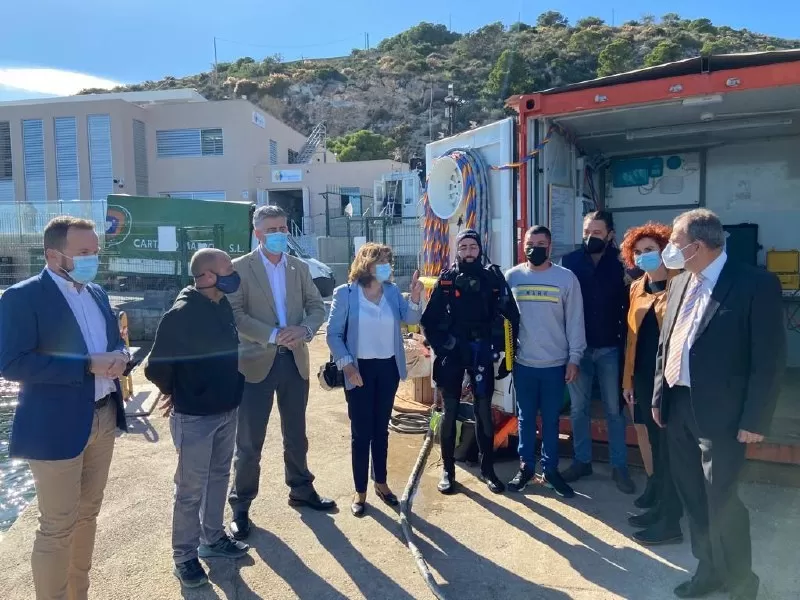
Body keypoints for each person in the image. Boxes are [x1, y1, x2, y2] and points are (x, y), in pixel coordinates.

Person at [652, 209, 785, 600]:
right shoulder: (679, 283)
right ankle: (708, 570)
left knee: (722, 499)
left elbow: (769, 358)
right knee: (693, 496)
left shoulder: (754, 284)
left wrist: (755, 417)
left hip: (724, 415)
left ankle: (743, 580)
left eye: (675, 242)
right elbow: (666, 346)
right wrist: (660, 397)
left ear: (698, 245)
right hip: (679, 407)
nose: (670, 250)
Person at [0, 216, 130, 600]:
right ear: (53, 255)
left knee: (88, 515)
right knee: (57, 526)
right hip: (54, 426)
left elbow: (112, 344)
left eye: (95, 251)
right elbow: (10, 363)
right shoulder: (22, 297)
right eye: (84, 253)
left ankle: (79, 594)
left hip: (103, 416)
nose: (93, 259)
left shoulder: (97, 293)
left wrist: (122, 356)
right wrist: (87, 364)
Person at [145, 248, 249, 589]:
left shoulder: (222, 306)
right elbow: (156, 367)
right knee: (189, 489)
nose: (233, 273)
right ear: (205, 277)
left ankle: (213, 538)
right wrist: (180, 391)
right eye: (226, 269)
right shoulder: (181, 314)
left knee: (219, 475)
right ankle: (184, 557)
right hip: (195, 417)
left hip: (227, 408)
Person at [227, 204, 330, 540]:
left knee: (296, 434)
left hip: (294, 360)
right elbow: (236, 313)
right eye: (271, 230)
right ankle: (241, 505)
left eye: (283, 229)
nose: (279, 235)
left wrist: (305, 330)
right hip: (255, 364)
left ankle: (301, 488)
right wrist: (272, 335)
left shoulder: (298, 268)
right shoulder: (239, 269)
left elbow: (317, 307)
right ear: (257, 233)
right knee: (249, 442)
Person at [326, 243, 424, 517]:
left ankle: (380, 482)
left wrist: (416, 297)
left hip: (388, 369)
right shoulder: (345, 294)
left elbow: (411, 318)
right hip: (358, 371)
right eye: (380, 262)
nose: (386, 267)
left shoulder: (392, 292)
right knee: (361, 433)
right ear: (365, 264)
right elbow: (333, 335)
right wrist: (347, 366)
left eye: (388, 262)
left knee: (381, 430)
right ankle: (360, 492)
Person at [421, 229, 520, 495]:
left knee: (484, 410)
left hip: (481, 351)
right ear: (457, 250)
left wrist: (505, 353)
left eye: (472, 247)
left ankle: (488, 470)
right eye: (463, 246)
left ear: (480, 249)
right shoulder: (447, 280)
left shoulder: (492, 278)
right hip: (453, 352)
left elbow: (512, 314)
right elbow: (428, 321)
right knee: (450, 411)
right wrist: (444, 346)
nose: (468, 251)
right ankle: (448, 471)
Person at [505, 226, 586, 498]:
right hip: (523, 364)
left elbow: (575, 321)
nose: (535, 247)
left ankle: (550, 471)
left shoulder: (566, 279)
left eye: (541, 243)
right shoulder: (512, 277)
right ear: (523, 245)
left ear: (549, 247)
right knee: (526, 419)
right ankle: (526, 467)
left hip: (555, 365)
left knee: (551, 421)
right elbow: (503, 320)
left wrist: (574, 358)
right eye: (530, 242)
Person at [561, 211, 635, 494]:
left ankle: (619, 467)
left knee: (614, 410)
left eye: (597, 232)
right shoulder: (570, 262)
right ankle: (582, 462)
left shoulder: (622, 263)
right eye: (586, 231)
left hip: (609, 347)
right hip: (578, 348)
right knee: (579, 409)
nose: (590, 237)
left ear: (610, 234)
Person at [619, 223, 683, 546]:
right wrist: (628, 381)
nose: (644, 257)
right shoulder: (637, 287)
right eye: (638, 252)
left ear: (665, 251)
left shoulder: (681, 286)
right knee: (655, 446)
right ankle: (658, 503)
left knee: (670, 449)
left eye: (650, 250)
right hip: (643, 379)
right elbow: (632, 339)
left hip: (670, 382)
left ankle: (671, 519)